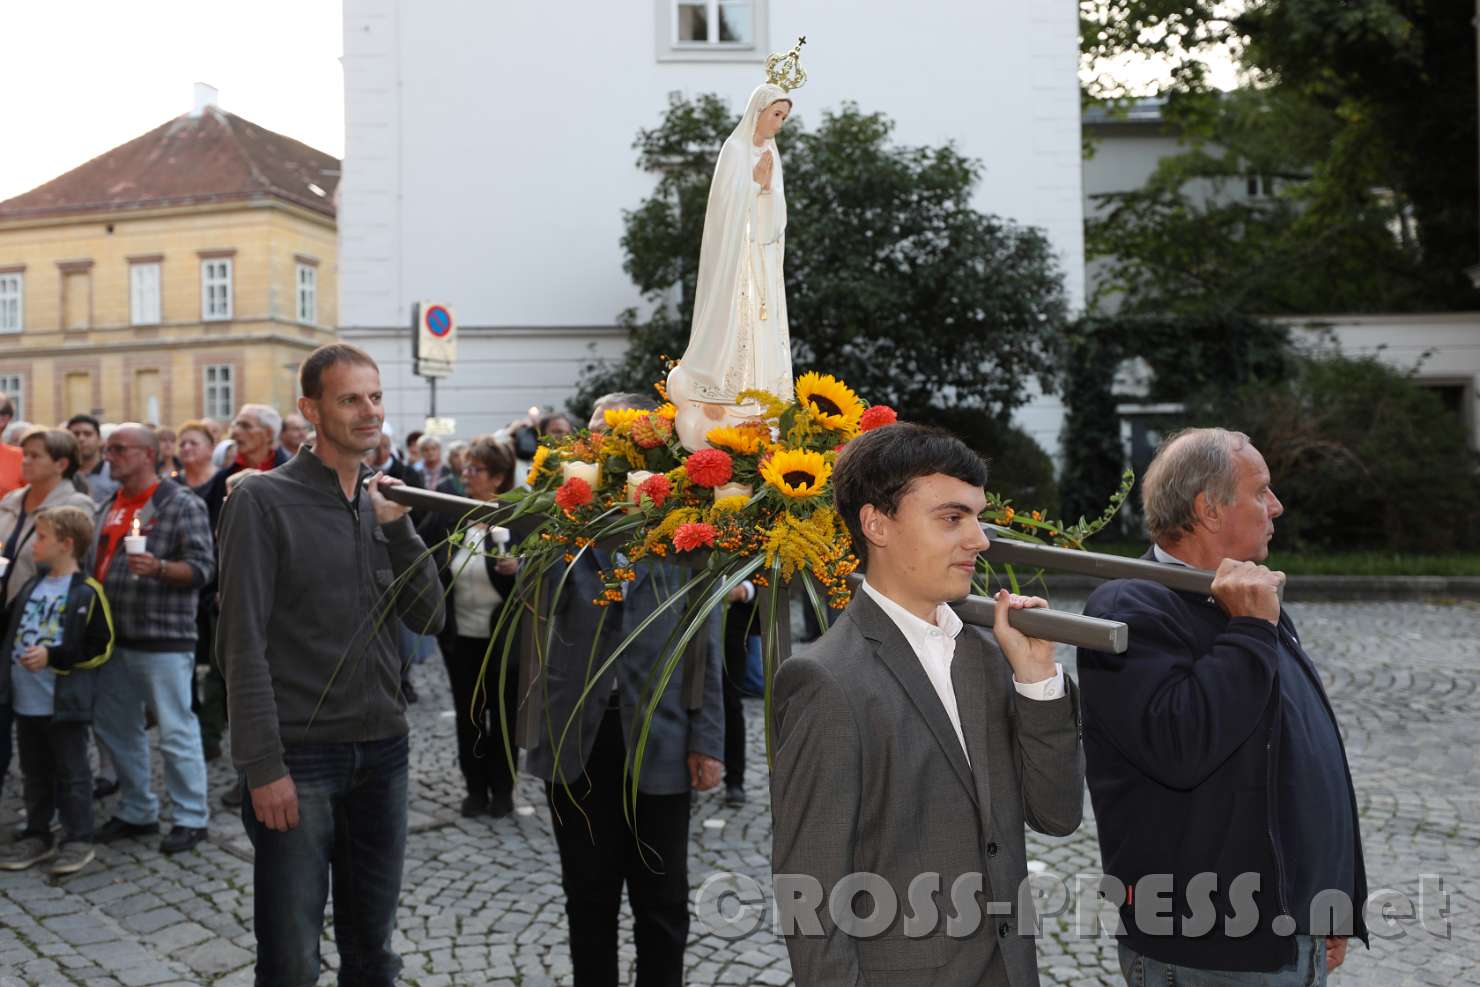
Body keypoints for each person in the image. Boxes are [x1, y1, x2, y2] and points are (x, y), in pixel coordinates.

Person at [770, 422, 1084, 986]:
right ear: (876, 524)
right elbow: (810, 894)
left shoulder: (988, 658)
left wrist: (1037, 682)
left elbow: (1056, 815)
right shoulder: (825, 680)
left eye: (978, 517)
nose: (980, 539)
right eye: (952, 517)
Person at [1077, 428, 1368, 985]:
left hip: (1289, 931)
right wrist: (1250, 631)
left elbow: (1302, 760)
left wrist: (1329, 899)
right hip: (1208, 946)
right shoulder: (1128, 605)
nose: (1276, 505)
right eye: (1261, 491)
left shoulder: (1245, 600)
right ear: (1209, 509)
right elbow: (1180, 747)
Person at [216, 342, 444, 986]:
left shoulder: (383, 501)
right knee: (290, 961)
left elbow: (430, 616)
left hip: (384, 751)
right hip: (300, 758)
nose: (368, 412)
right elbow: (241, 643)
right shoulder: (261, 501)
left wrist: (398, 528)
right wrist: (262, 767)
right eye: (350, 399)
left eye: (375, 397)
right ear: (310, 409)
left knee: (373, 953)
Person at [525, 391, 725, 987]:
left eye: (619, 434)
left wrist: (707, 740)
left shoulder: (687, 530)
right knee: (587, 897)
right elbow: (535, 628)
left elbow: (704, 645)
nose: (602, 446)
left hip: (660, 738)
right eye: (594, 434)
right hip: (577, 739)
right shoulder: (560, 523)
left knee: (662, 902)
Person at [90, 423, 215, 855]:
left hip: (162, 638)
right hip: (110, 642)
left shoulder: (180, 503)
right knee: (116, 728)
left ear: (147, 454)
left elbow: (203, 569)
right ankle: (137, 809)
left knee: (176, 730)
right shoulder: (107, 505)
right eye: (108, 449)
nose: (110, 456)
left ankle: (191, 817)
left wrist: (159, 568)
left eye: (120, 449)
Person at [666, 46, 799, 450]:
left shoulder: (771, 152)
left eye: (784, 117)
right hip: (735, 259)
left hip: (761, 256)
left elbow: (777, 213)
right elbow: (723, 206)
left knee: (764, 324)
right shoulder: (736, 149)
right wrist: (753, 186)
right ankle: (724, 389)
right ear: (757, 111)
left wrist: (765, 192)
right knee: (733, 322)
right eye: (775, 114)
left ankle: (762, 396)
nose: (779, 123)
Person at [0, 506, 113, 875]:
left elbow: (101, 645)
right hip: (27, 699)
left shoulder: (87, 592)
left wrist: (53, 655)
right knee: (34, 770)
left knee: (72, 771)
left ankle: (79, 837)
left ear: (66, 544)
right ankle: (38, 832)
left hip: (63, 702)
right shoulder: (31, 586)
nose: (34, 543)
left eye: (42, 536)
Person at [418, 436, 520, 817]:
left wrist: (517, 570)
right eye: (464, 468)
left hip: (503, 638)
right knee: (470, 716)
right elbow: (421, 545)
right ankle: (475, 789)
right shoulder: (453, 513)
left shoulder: (516, 516)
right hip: (461, 636)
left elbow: (536, 577)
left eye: (474, 470)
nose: (466, 476)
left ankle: (504, 789)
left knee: (503, 716)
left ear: (497, 478)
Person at [0, 429, 96, 796]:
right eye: (24, 454)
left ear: (61, 463)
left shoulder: (75, 505)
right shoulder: (11, 501)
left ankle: (60, 802)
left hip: (43, 627)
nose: (25, 461)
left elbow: (72, 565)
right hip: (6, 621)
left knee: (48, 726)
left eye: (35, 455)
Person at [67, 415, 118, 507]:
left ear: (100, 440)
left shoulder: (116, 472)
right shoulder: (61, 474)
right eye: (75, 434)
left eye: (87, 434)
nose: (81, 439)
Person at [172, 421, 219, 500]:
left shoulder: (223, 481)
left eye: (193, 443)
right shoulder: (172, 484)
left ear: (210, 449)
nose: (186, 448)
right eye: (182, 444)